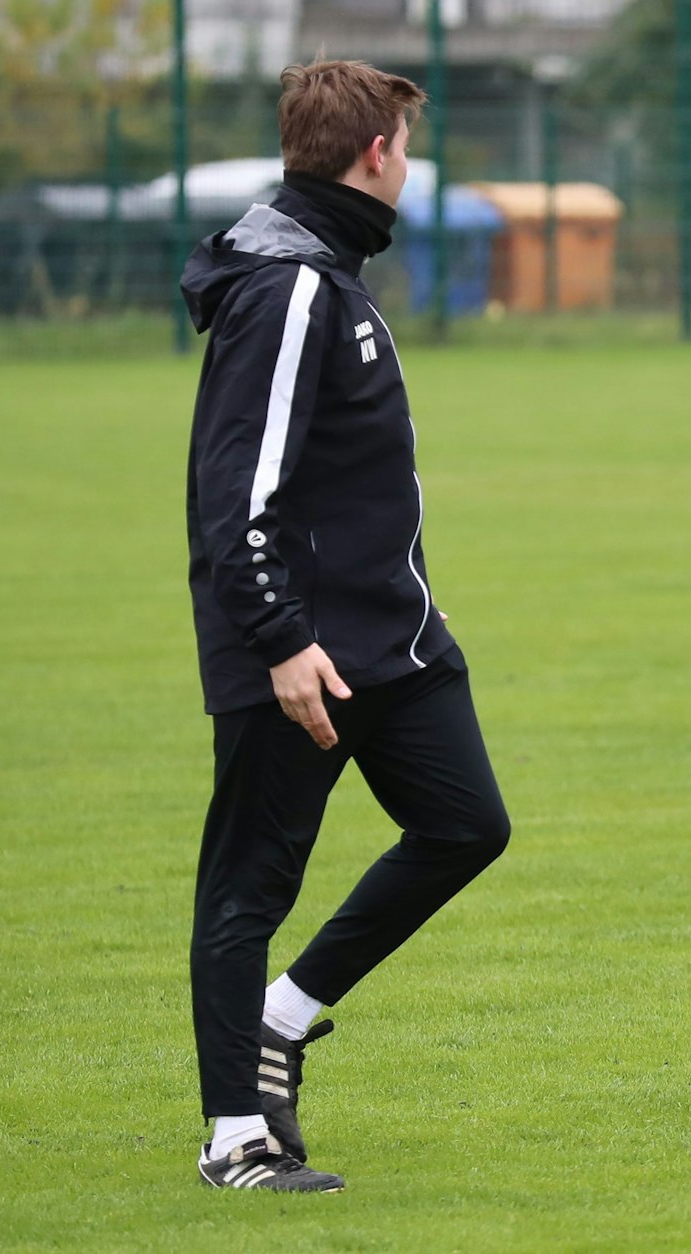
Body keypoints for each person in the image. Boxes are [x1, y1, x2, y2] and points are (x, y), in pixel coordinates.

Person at [180, 59, 511, 1191]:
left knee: (465, 826)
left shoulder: (328, 273)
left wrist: (395, 592)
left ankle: (284, 1016)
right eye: (405, 147)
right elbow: (239, 489)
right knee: (247, 890)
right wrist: (279, 640)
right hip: (301, 654)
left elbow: (341, 481)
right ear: (376, 155)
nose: (408, 165)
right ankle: (236, 1137)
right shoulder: (290, 290)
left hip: (391, 638)